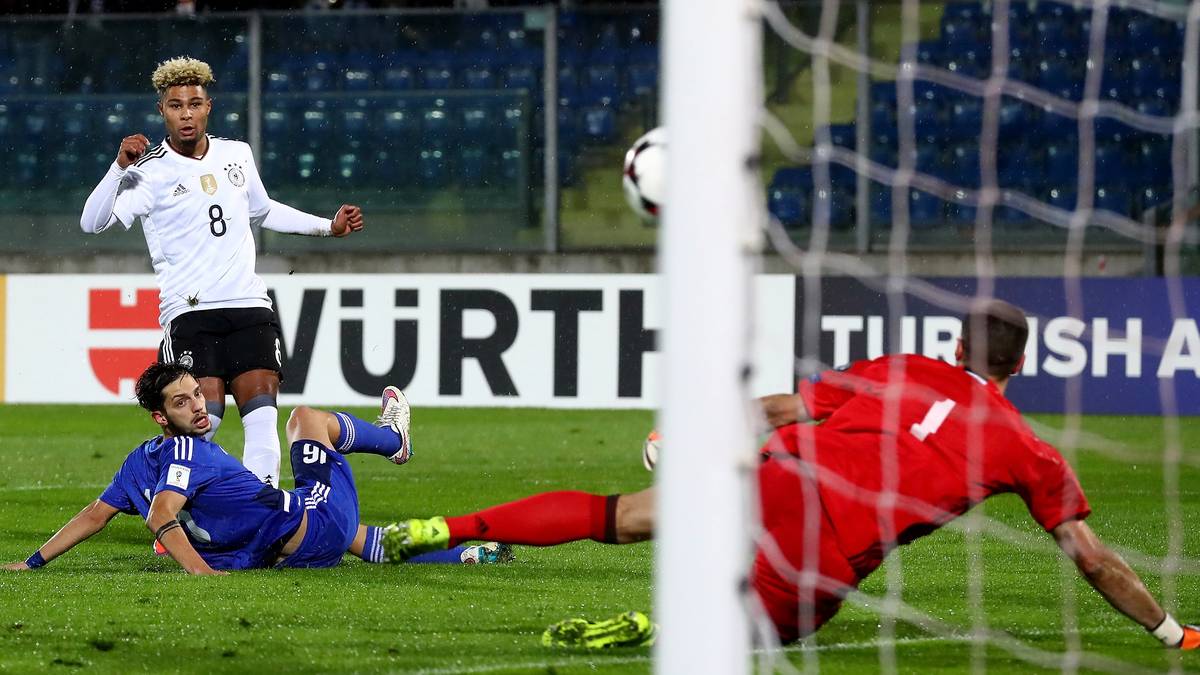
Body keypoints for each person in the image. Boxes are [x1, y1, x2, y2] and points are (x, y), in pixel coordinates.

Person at [382, 300, 1200, 650]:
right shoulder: (1032, 449)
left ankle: (441, 528)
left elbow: (779, 407)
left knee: (624, 513)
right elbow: (1091, 555)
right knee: (789, 626)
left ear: (955, 348)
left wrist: (690, 430)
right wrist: (1174, 630)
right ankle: (667, 626)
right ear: (1020, 365)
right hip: (831, 543)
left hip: (777, 471)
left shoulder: (902, 365)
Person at [79, 56, 366, 487]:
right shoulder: (148, 172)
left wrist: (328, 226)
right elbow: (92, 223)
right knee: (202, 424)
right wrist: (119, 167)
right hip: (190, 313)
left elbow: (264, 210)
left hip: (248, 305)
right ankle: (170, 514)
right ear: (162, 111)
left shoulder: (237, 154)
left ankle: (259, 517)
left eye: (194, 103)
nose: (186, 114)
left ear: (208, 106)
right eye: (176, 106)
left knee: (262, 418)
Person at [3, 362, 508, 573]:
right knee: (305, 420)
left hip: (282, 549)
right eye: (183, 403)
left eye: (199, 394)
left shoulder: (141, 459)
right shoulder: (185, 452)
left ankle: (468, 556)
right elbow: (160, 513)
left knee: (358, 538)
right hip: (316, 527)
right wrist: (198, 572)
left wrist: (32, 563)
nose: (200, 407)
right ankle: (395, 440)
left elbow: (96, 514)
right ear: (161, 416)